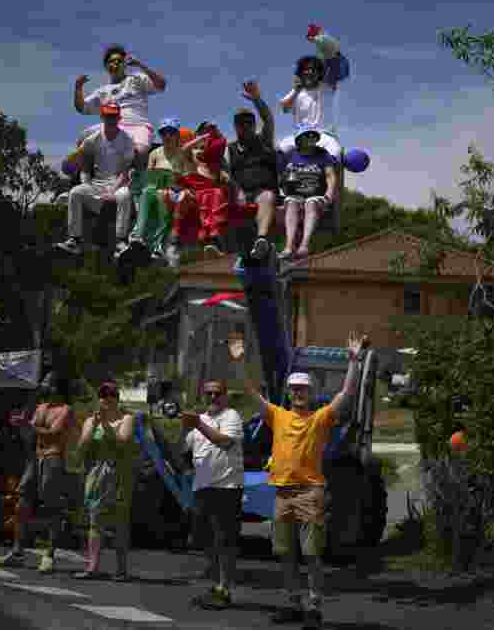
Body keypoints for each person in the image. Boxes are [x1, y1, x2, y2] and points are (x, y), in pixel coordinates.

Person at [233, 332, 367, 630]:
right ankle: (293, 603)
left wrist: (354, 362)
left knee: (311, 553)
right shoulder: (277, 415)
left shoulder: (320, 419)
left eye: (302, 389)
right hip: (282, 493)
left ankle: (315, 606)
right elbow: (249, 391)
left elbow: (346, 394)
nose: (297, 393)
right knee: (284, 553)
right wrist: (240, 362)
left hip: (309, 492)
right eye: (294, 389)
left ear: (311, 392)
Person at [0, 380, 75, 573]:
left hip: (53, 458)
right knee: (21, 504)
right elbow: (30, 434)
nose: (45, 386)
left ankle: (49, 555)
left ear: (58, 388)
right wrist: (22, 425)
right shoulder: (40, 406)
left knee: (52, 506)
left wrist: (27, 425)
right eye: (44, 383)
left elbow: (53, 434)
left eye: (49, 383)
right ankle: (17, 552)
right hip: (35, 457)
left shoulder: (66, 410)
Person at [180, 380, 244, 610]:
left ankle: (224, 588)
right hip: (202, 487)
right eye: (209, 394)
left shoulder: (231, 416)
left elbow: (225, 442)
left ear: (225, 396)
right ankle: (216, 585)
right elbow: (184, 450)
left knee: (224, 539)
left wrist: (197, 423)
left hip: (226, 488)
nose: (213, 397)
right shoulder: (200, 419)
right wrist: (185, 427)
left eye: (218, 393)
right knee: (204, 539)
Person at [72, 379, 139, 581]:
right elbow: (82, 448)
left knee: (120, 522)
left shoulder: (127, 418)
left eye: (112, 395)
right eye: (103, 395)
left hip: (119, 472)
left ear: (117, 399)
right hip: (97, 472)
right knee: (95, 521)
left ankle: (121, 569)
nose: (107, 399)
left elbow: (122, 442)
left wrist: (105, 425)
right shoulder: (91, 420)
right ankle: (92, 567)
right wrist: (93, 426)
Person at [55, 102, 135, 256]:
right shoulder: (92, 139)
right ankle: (74, 240)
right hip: (96, 183)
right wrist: (86, 184)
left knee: (124, 195)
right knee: (76, 192)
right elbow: (82, 165)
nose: (110, 119)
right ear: (102, 117)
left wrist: (112, 192)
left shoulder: (127, 139)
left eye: (113, 116)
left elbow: (125, 172)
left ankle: (120, 241)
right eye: (107, 116)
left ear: (119, 117)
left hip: (118, 184)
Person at [74, 44, 166, 162]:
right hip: (111, 126)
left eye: (119, 61)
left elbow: (161, 86)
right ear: (106, 66)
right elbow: (81, 108)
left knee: (140, 151)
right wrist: (78, 88)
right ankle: (83, 172)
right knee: (83, 139)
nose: (115, 64)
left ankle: (132, 175)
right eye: (111, 61)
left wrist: (141, 65)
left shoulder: (137, 79)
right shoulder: (102, 91)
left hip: (137, 125)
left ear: (125, 64)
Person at [159, 122, 233, 267]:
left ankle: (213, 241)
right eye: (202, 134)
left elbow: (221, 146)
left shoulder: (214, 158)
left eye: (208, 135)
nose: (206, 138)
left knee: (215, 194)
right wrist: (203, 137)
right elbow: (185, 150)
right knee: (190, 195)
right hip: (194, 193)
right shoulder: (191, 156)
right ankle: (175, 242)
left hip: (210, 194)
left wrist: (215, 134)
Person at [125, 118, 196, 261]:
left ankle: (156, 246)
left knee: (163, 196)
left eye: (171, 132)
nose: (167, 136)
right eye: (164, 133)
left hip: (177, 191)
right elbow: (149, 177)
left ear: (177, 135)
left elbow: (190, 177)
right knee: (147, 192)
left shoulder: (184, 154)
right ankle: (138, 236)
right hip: (156, 188)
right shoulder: (154, 153)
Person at [226, 80, 282, 261]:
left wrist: (257, 100)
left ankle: (262, 239)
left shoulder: (263, 141)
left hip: (263, 191)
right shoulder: (230, 148)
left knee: (266, 196)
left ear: (254, 124)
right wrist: (238, 191)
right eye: (241, 123)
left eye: (249, 122)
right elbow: (225, 174)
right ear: (235, 126)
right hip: (239, 195)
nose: (245, 126)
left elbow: (269, 119)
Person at [279, 126, 339, 260]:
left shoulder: (323, 154)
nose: (311, 138)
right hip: (296, 194)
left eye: (313, 136)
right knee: (291, 202)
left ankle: (304, 245)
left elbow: (330, 175)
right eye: (308, 136)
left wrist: (329, 195)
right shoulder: (291, 155)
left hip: (316, 194)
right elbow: (281, 175)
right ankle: (289, 247)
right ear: (299, 139)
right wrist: (285, 186)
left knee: (311, 203)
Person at [277, 55, 342, 159]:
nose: (309, 72)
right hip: (300, 136)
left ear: (320, 73)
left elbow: (336, 69)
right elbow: (284, 108)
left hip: (324, 135)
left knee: (336, 151)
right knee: (280, 150)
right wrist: (296, 90)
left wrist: (324, 45)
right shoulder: (296, 92)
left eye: (313, 69)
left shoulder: (327, 87)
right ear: (300, 73)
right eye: (306, 69)